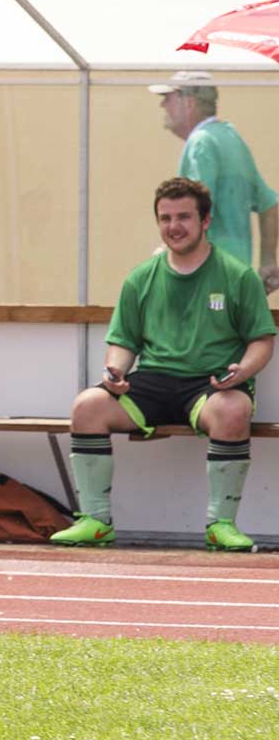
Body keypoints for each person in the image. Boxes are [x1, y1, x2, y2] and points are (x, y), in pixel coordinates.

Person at [56, 177, 276, 551]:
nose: (174, 226)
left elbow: (262, 340)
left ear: (205, 221)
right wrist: (116, 372)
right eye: (165, 218)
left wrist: (244, 369)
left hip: (210, 384)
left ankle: (220, 525)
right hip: (153, 381)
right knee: (87, 407)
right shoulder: (141, 278)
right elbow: (123, 342)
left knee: (234, 409)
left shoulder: (237, 276)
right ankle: (96, 521)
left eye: (184, 217)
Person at [152, 71, 279, 289]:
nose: (163, 105)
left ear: (189, 103)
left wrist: (163, 259)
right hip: (238, 277)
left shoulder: (201, 144)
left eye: (169, 97)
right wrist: (267, 260)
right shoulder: (231, 139)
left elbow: (192, 214)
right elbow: (270, 204)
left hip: (207, 279)